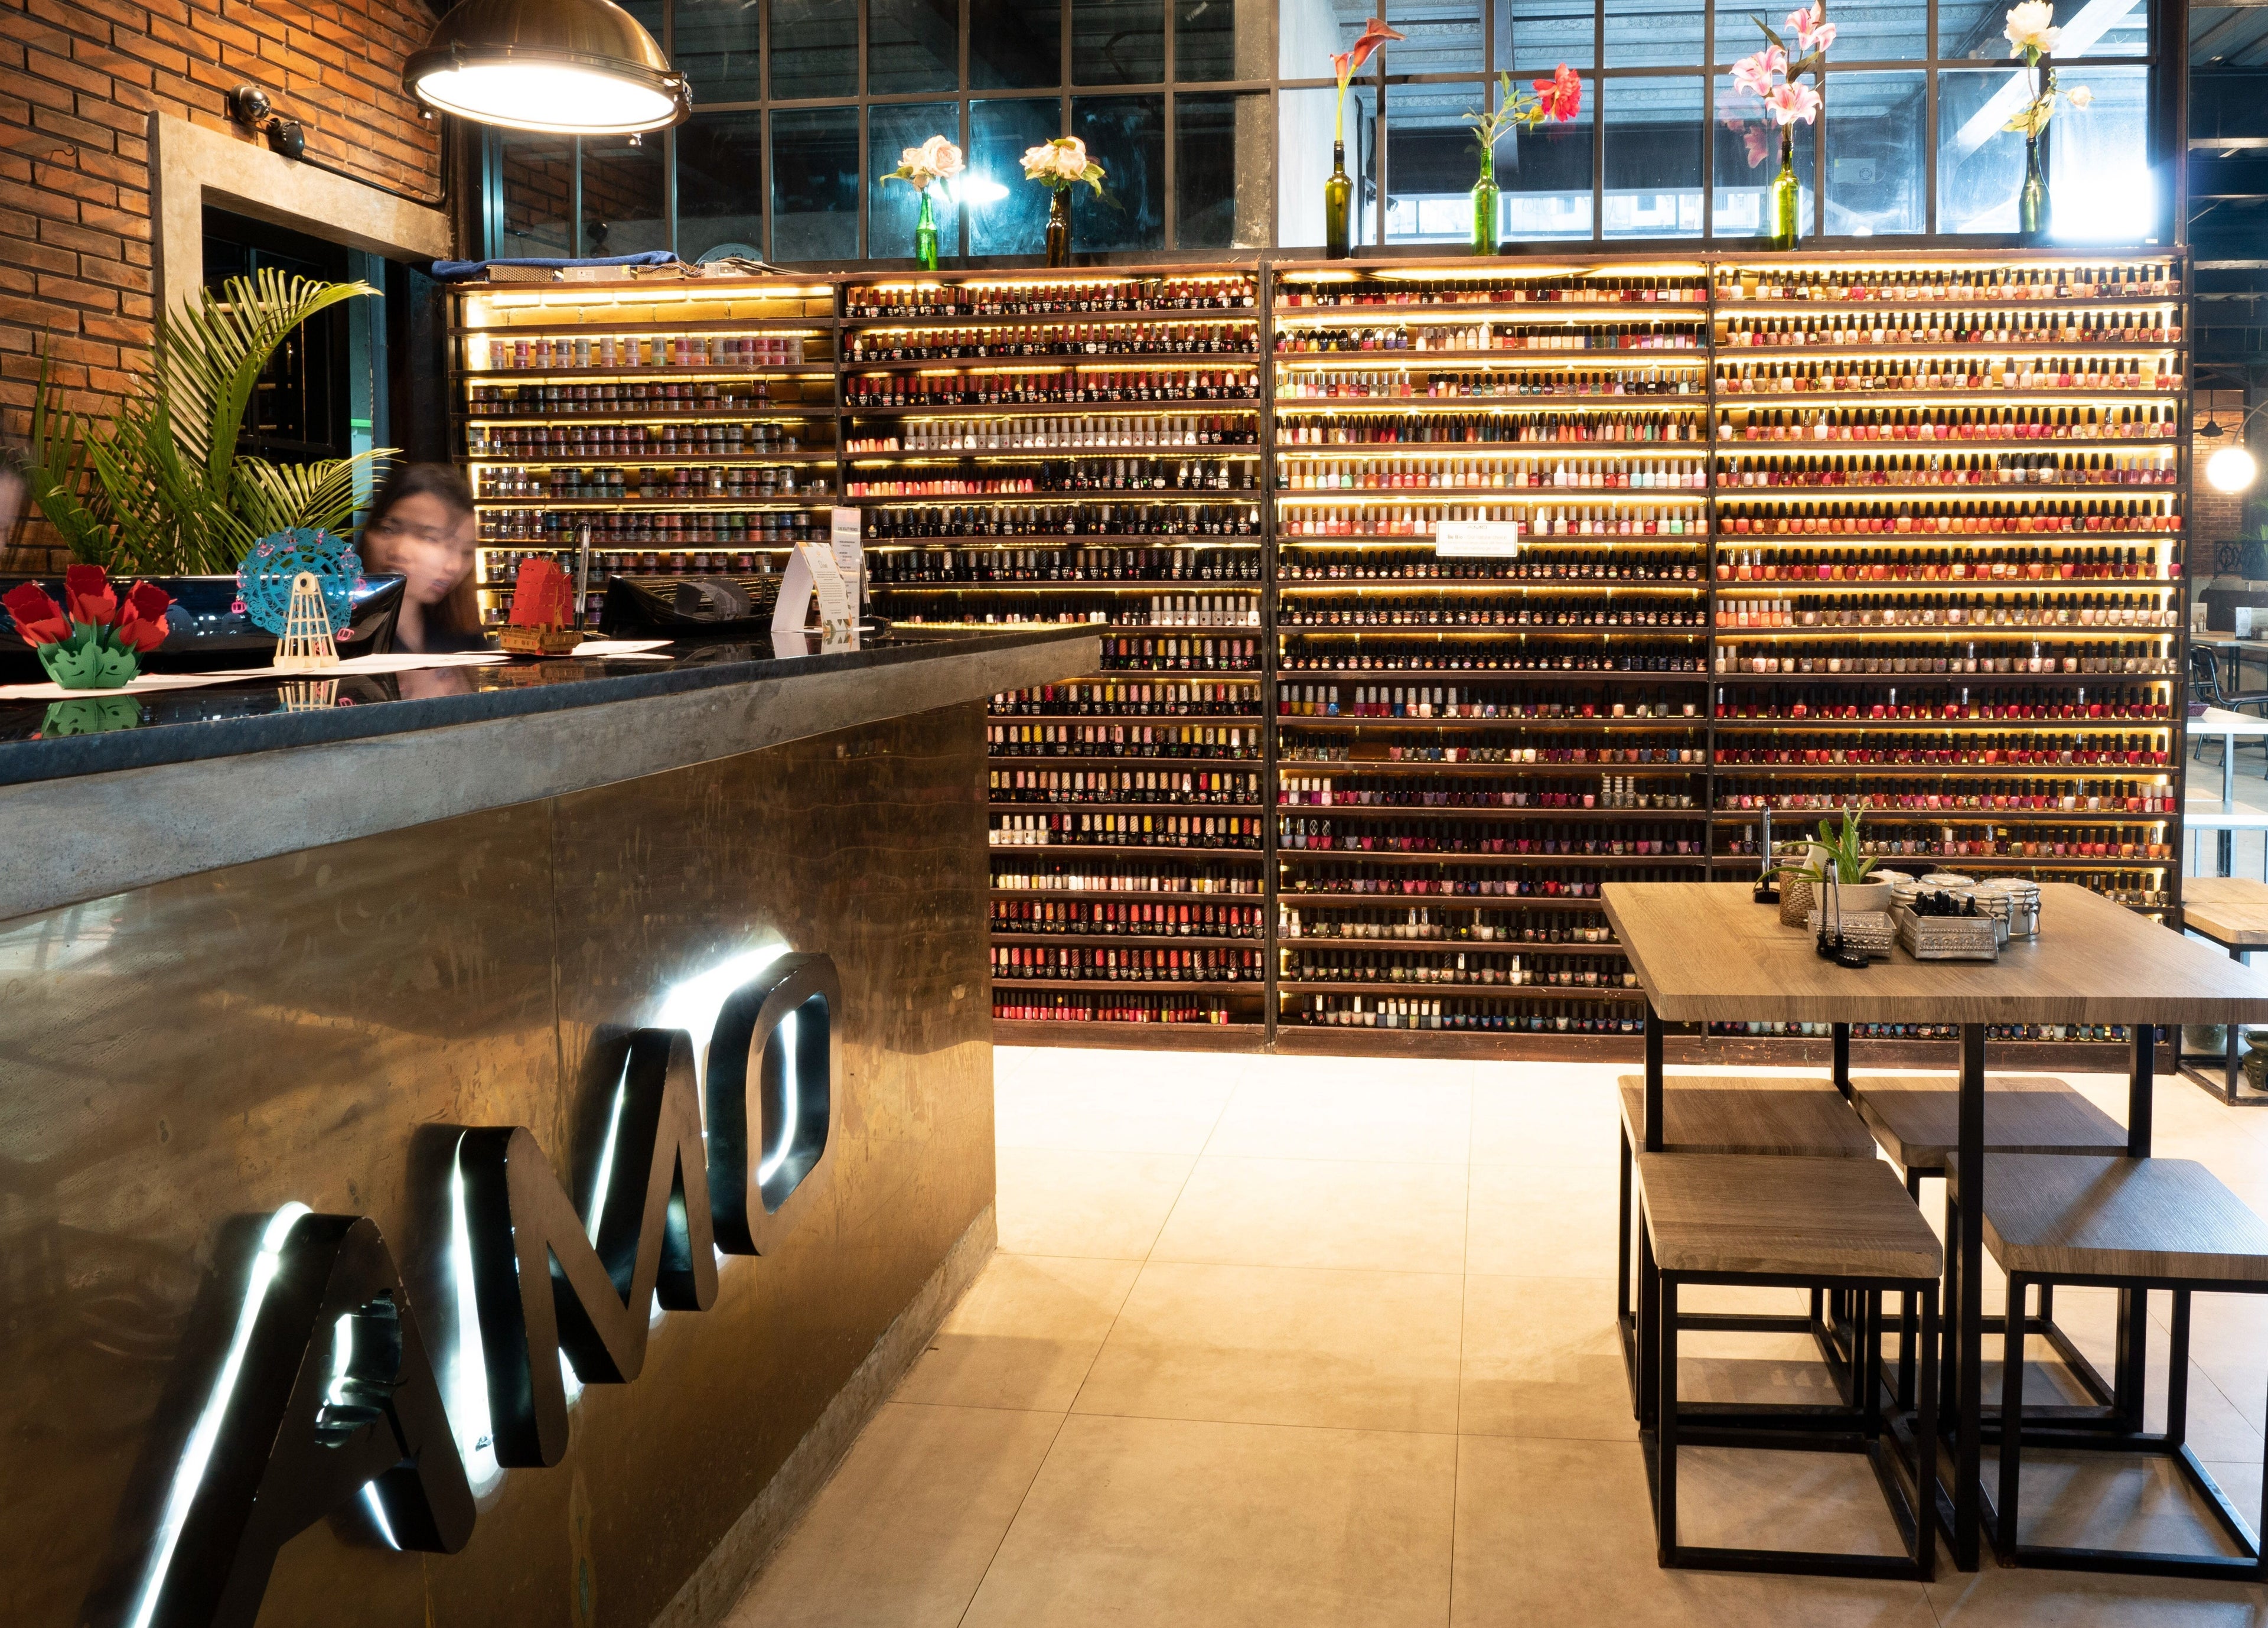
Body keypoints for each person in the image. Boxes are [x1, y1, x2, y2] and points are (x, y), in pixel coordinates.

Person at [359, 463, 485, 653]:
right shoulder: (334, 632)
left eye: (467, 552)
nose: (455, 566)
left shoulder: (462, 634)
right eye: (388, 530)